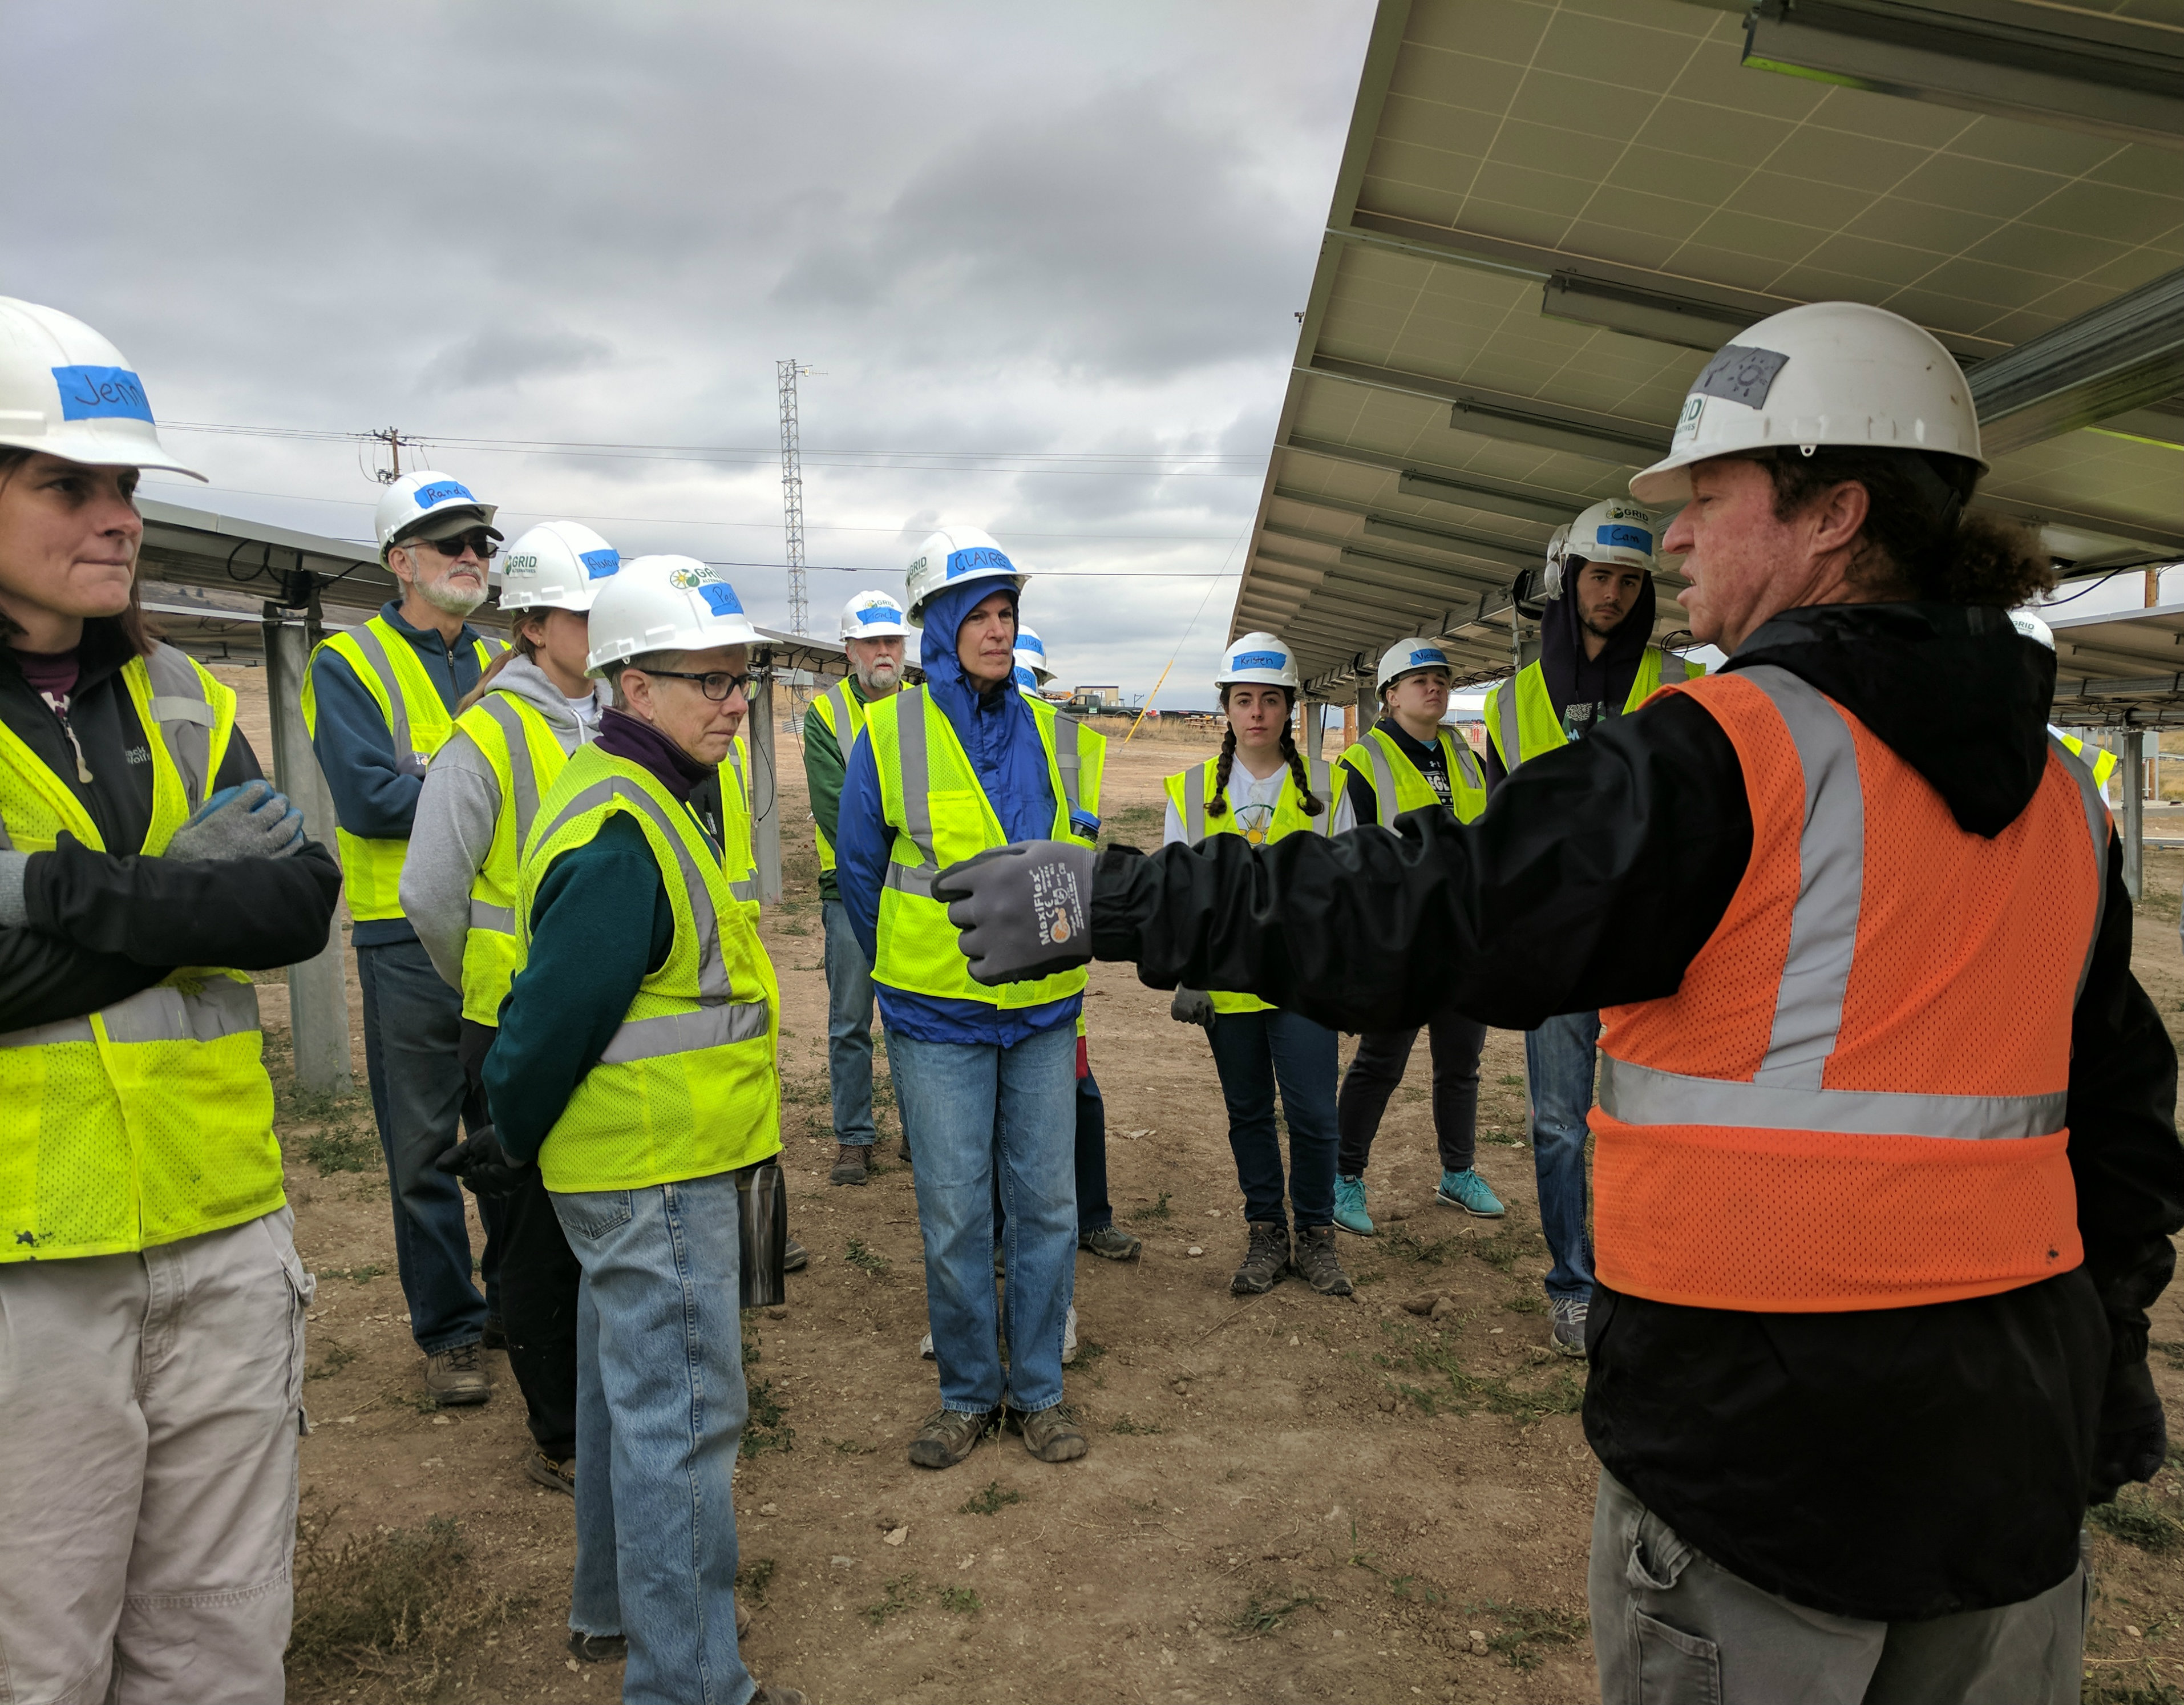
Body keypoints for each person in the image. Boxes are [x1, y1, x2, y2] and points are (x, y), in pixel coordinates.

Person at [937, 301, 2184, 1704]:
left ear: (1831, 513)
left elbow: (1434, 897)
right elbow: (2125, 1136)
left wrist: (1112, 900)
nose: (1671, 540)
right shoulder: (2058, 806)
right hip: (2004, 1475)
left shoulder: (1738, 752)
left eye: (1707, 497)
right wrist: (2099, 1360)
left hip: (1763, 1473)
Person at [0, 297, 342, 1700]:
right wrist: (172, 890)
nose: (115, 515)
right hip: (29, 1264)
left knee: (217, 1634)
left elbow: (291, 901)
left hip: (218, 1229)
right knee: (40, 1647)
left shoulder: (181, 694)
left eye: (126, 485)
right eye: (65, 482)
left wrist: (44, 886)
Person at [482, 556, 803, 1703]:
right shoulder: (624, 825)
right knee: (682, 1423)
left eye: (742, 680)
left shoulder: (650, 793)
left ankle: (612, 1612)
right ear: (633, 686)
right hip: (654, 1171)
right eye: (707, 680)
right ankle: (690, 1685)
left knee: (632, 1403)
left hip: (648, 1161)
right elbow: (556, 1012)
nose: (733, 702)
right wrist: (507, 1127)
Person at [835, 526, 1105, 1471]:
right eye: (979, 615)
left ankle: (1036, 1390)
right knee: (953, 1214)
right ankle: (964, 1393)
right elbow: (862, 881)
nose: (997, 631)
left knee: (1045, 1209)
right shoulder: (885, 733)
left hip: (1040, 1014)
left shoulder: (1059, 736)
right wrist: (916, 968)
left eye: (1008, 614)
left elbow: (1076, 870)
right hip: (933, 1019)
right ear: (940, 624)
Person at [401, 521, 615, 1500]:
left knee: (606, 1208)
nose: (600, 626)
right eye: (583, 610)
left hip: (615, 1019)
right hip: (516, 1019)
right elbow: (430, 890)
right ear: (532, 625)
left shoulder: (620, 717)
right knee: (531, 1232)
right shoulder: (484, 734)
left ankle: (611, 1395)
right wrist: (483, 990)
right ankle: (562, 1434)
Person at [301, 468, 509, 1405]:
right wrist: (482, 795)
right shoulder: (349, 664)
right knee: (423, 1150)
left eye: (481, 546)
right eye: (451, 545)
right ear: (400, 561)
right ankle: (451, 1332)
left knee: (509, 1135)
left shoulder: (499, 660)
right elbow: (372, 800)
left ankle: (513, 1304)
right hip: (403, 940)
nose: (473, 558)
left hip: (499, 941)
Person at [1479, 502, 1705, 1355]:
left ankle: (1652, 1277)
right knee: (1557, 1124)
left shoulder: (1680, 685)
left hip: (1652, 948)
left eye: (1629, 580)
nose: (1610, 594)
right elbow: (1501, 834)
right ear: (1567, 581)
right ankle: (1574, 1283)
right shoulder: (1510, 702)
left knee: (1659, 1120)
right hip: (1558, 947)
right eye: (1598, 576)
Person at [1164, 633, 1354, 1295]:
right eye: (1243, 700)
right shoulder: (1190, 792)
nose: (1257, 713)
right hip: (1229, 989)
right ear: (1226, 707)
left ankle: (1319, 1236)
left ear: (1288, 708)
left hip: (1306, 985)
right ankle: (1267, 1235)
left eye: (1269, 700)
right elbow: (1176, 895)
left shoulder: (1329, 787)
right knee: (1248, 1113)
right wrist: (1188, 972)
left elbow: (1352, 892)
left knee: (1313, 1116)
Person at [1328, 638, 1500, 1244]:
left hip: (1461, 939)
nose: (1434, 687)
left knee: (1462, 1066)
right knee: (1381, 1063)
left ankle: (1458, 1172)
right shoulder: (1363, 763)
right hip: (1400, 943)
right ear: (1390, 695)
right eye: (1418, 679)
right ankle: (1343, 1176)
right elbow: (1352, 862)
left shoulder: (1466, 756)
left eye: (1441, 678)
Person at [1017, 621, 1137, 1262]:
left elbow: (1081, 842)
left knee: (1079, 1090)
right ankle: (1011, 1233)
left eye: (1032, 683)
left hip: (1057, 941)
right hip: (989, 948)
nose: (1025, 695)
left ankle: (1091, 1217)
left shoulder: (1074, 747)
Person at [804, 588, 909, 1186]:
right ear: (849, 650)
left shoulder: (923, 709)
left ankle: (922, 1131)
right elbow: (835, 810)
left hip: (914, 891)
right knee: (851, 1019)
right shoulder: (827, 715)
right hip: (847, 891)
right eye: (872, 641)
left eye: (893, 640)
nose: (884, 651)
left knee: (915, 1015)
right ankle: (853, 1137)